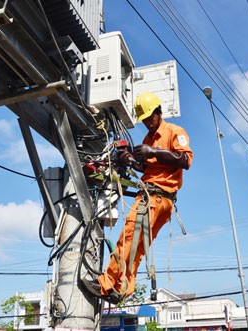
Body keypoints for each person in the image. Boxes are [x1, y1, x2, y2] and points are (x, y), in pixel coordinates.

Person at [82, 92, 193, 303]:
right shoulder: (147, 140)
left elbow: (185, 160)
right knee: (137, 247)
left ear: (159, 112)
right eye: (144, 120)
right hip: (157, 198)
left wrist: (155, 151)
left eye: (150, 118)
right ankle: (122, 288)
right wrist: (130, 160)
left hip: (156, 198)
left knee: (128, 239)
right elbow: (146, 168)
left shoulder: (174, 131)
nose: (148, 123)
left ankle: (105, 284)